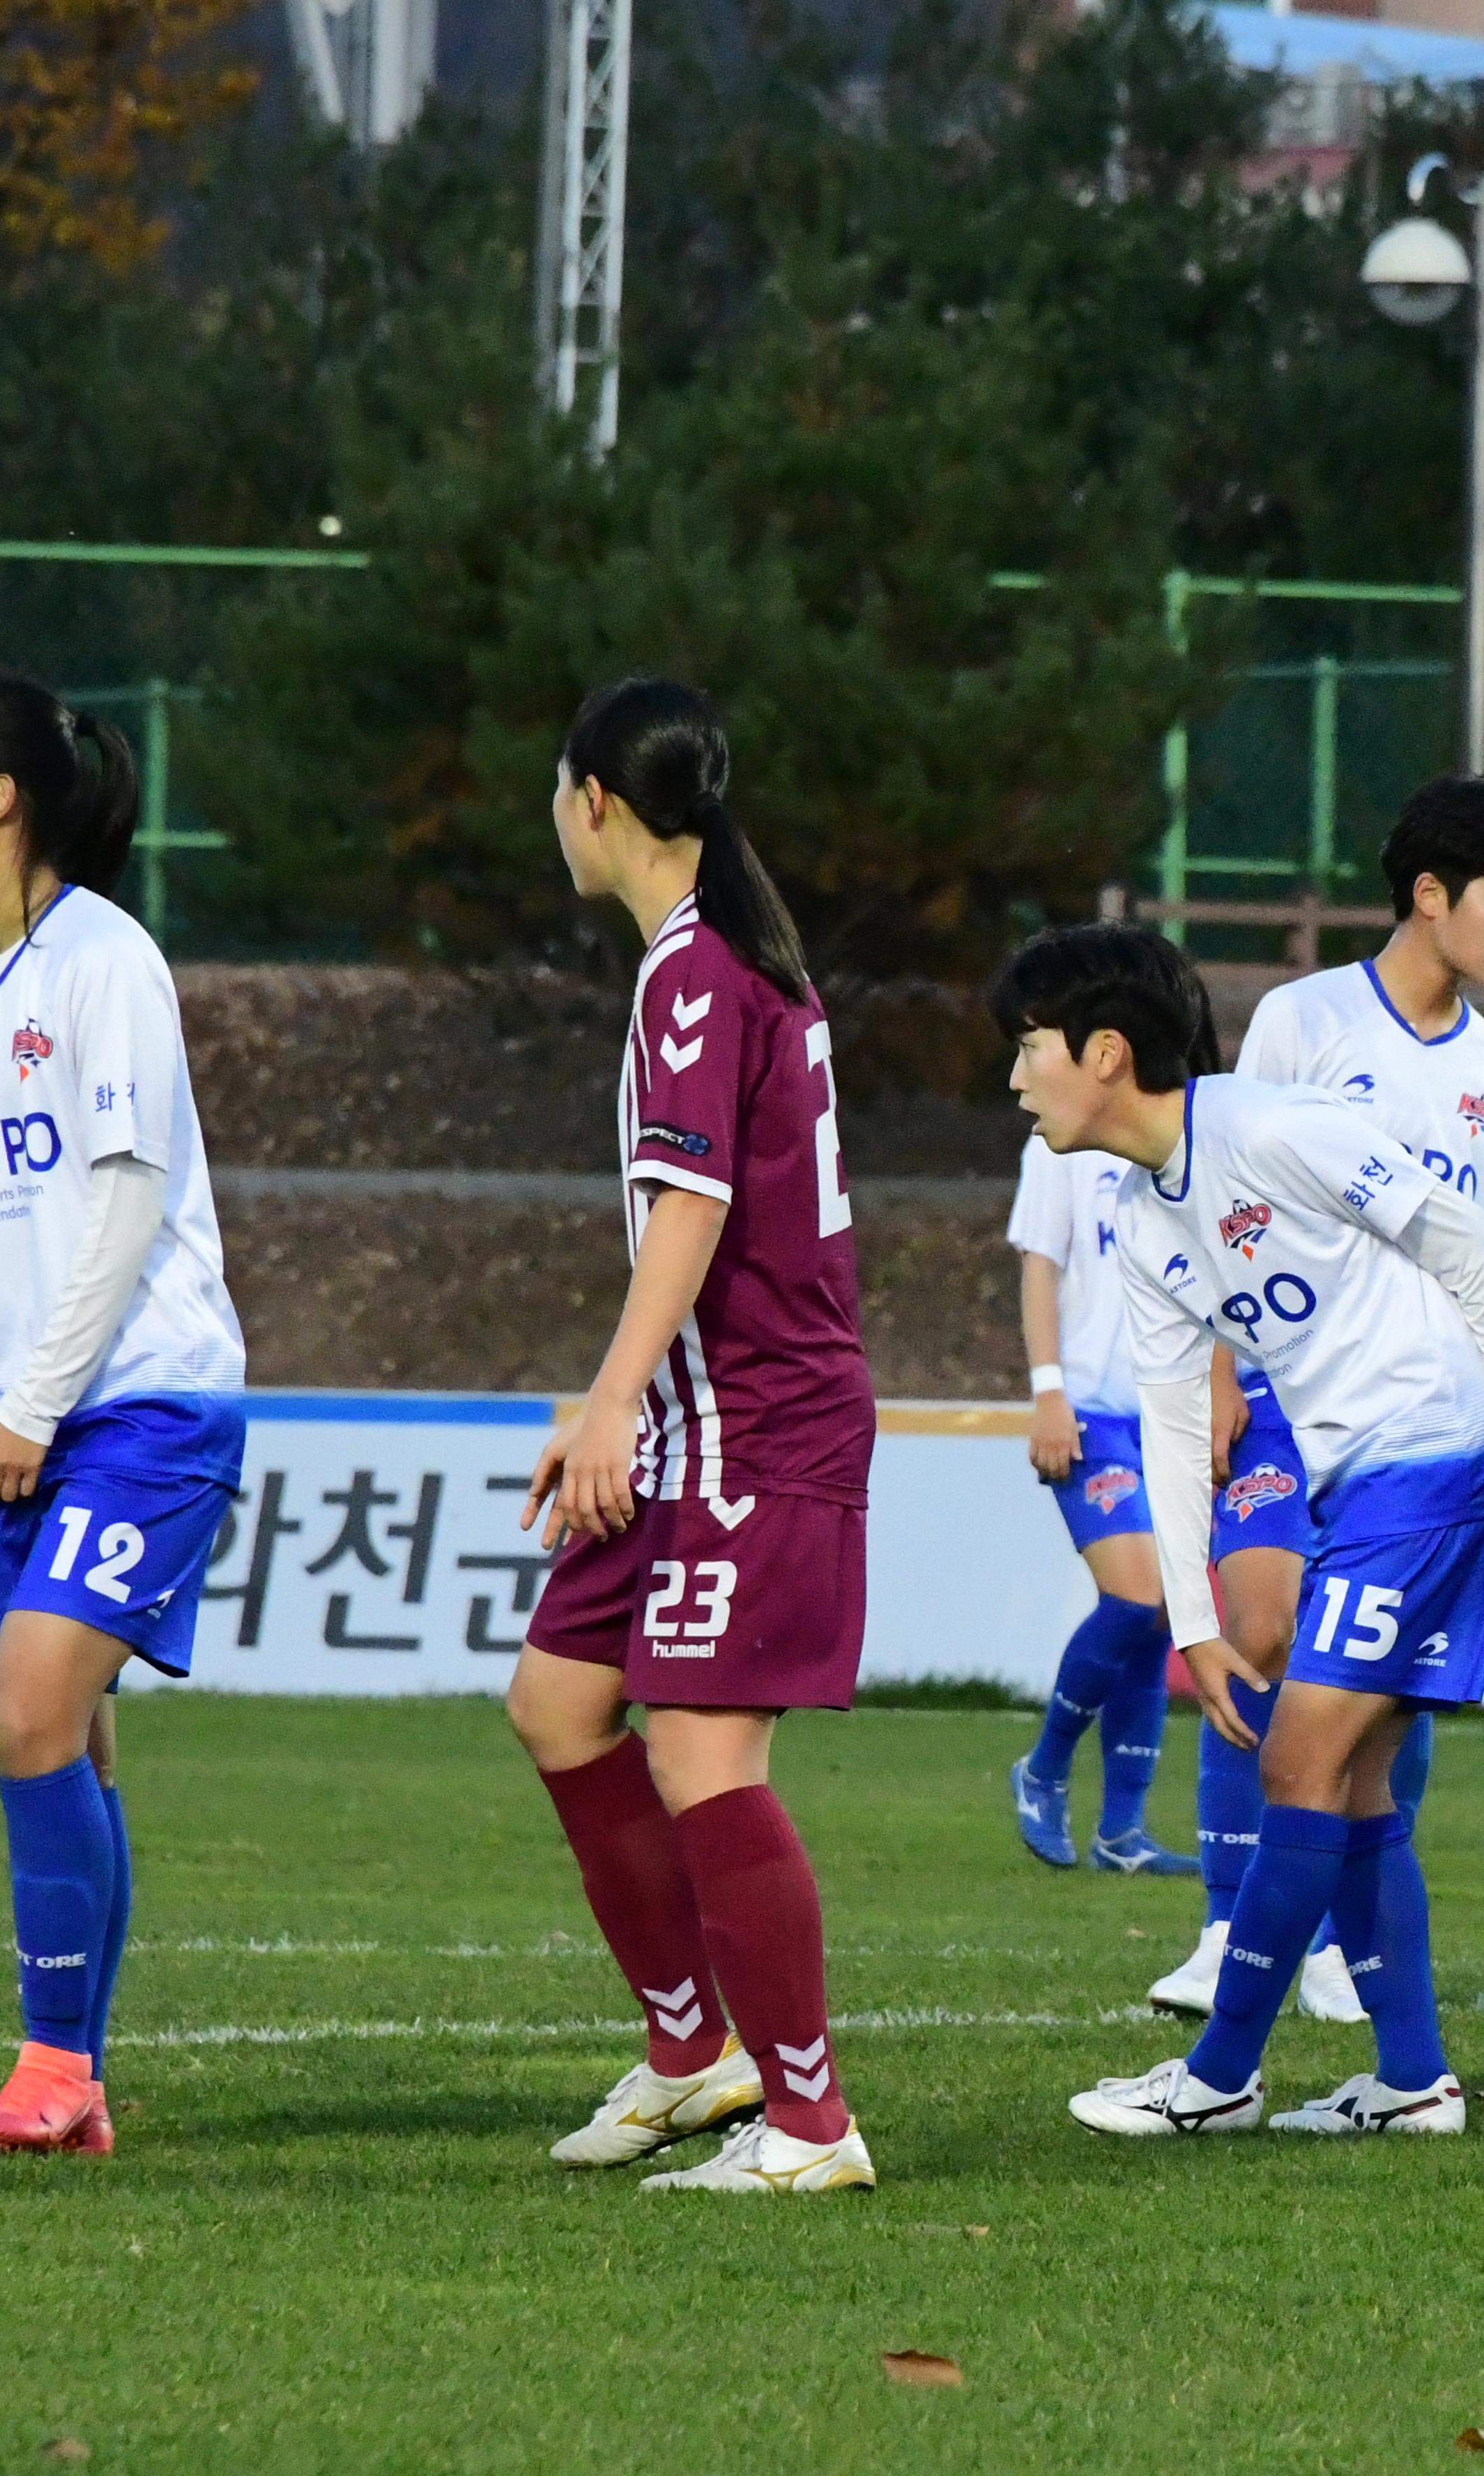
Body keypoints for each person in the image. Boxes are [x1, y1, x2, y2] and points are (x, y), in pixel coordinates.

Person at [1003, 924, 1484, 2139]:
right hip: (1359, 1481)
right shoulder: (1146, 1214)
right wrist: (1192, 1627)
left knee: (1300, 1763)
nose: (1013, 1077)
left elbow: (1455, 1234)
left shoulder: (1267, 1125)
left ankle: (1216, 2076)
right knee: (1349, 1785)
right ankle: (1411, 2078)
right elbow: (1164, 1424)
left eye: (1028, 1047)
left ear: (1104, 1053)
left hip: (1434, 1457)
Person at [498, 680, 880, 2193]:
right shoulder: (724, 956)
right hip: (694, 1418)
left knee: (703, 1753)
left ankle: (810, 2118)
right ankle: (691, 2051)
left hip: (754, 1423)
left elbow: (698, 1206)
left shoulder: (698, 971)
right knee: (557, 1702)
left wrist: (613, 1393)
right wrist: (623, 1401)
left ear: (595, 796)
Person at [0, 674, 248, 2158]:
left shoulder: (109, 957)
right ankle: (70, 2080)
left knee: (29, 1708)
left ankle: (53, 2068)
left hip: (145, 1400)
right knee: (69, 1741)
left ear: (0, 801)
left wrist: (30, 1400)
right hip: (34, 1416)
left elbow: (122, 1198)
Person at [1148, 775, 1484, 2025]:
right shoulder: (1303, 1020)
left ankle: (1333, 1938)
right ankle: (1229, 1923)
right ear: (1428, 896)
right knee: (1263, 1626)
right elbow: (1220, 1187)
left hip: (1427, 1424)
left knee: (1384, 1681)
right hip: (1283, 1388)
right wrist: (1219, 1368)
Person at [1006, 1132, 1191, 1875]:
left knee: (1161, 1615)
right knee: (1134, 1594)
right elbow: (1039, 1267)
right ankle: (1044, 1767)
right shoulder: (1061, 1143)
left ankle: (1123, 1832)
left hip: (1171, 1417)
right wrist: (1048, 1391)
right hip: (1090, 1412)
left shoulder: (1186, 1134)